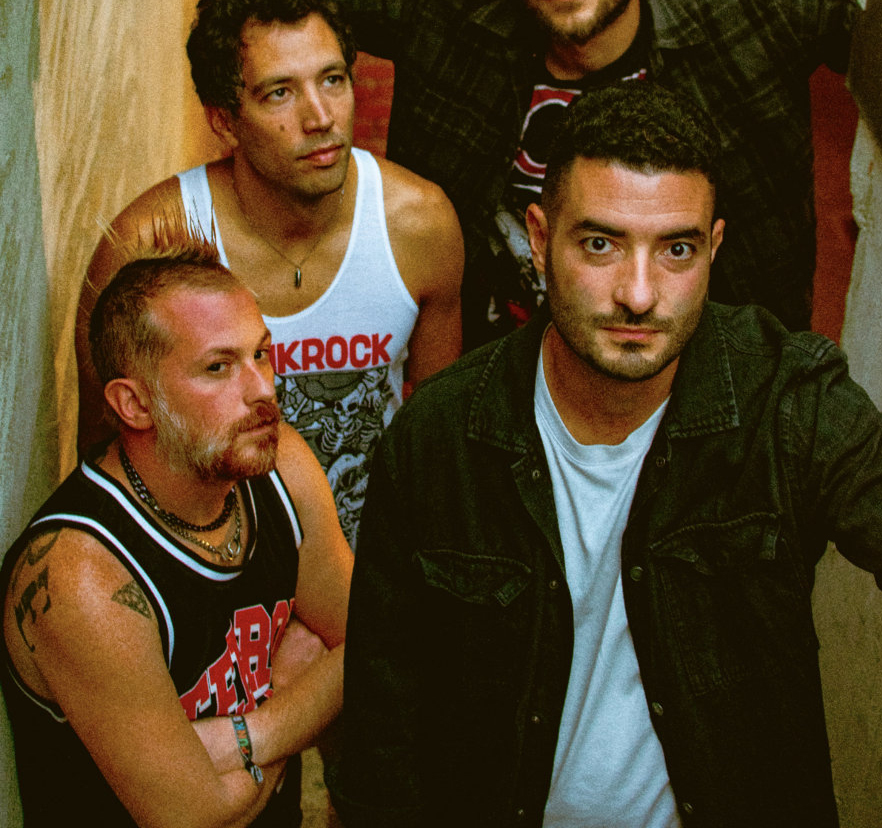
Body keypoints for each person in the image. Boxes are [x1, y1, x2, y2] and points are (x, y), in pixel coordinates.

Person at [24, 0, 879, 343]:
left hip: (704, 399)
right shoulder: (461, 17)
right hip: (506, 390)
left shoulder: (744, 12)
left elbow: (865, 14)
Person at [327, 83, 882, 828]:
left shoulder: (785, 401)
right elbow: (381, 743)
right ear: (539, 237)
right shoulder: (440, 440)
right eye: (600, 244)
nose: (639, 295)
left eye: (677, 249)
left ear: (714, 247)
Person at [75, 0, 464, 547]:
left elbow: (436, 445)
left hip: (373, 561)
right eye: (280, 93)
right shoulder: (146, 248)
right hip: (213, 568)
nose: (321, 117)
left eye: (333, 80)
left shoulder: (419, 226)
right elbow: (106, 464)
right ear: (224, 121)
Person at [0, 244, 353, 827]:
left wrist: (246, 736)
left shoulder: (279, 467)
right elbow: (196, 820)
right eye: (218, 367)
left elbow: (370, 640)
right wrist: (290, 693)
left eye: (261, 354)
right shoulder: (81, 576)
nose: (263, 390)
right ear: (135, 404)